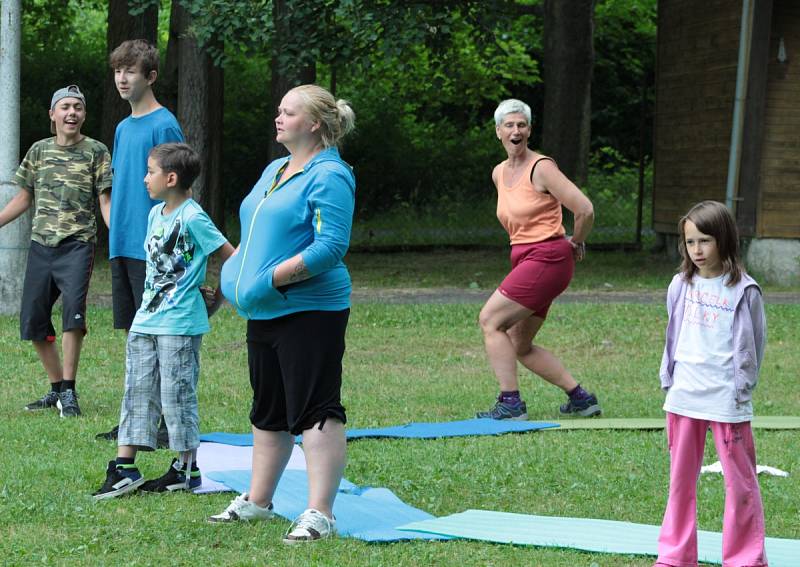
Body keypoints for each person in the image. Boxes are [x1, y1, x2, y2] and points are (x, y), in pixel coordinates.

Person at [209, 84, 355, 544]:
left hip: (309, 309)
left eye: (288, 113)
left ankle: (320, 513)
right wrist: (238, 274)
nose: (278, 118)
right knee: (267, 409)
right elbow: (257, 230)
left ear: (313, 123)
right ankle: (258, 501)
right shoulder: (276, 167)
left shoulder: (330, 174)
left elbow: (330, 247)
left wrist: (270, 279)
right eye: (279, 110)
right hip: (265, 311)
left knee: (315, 409)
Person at [92, 143, 234, 499]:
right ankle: (124, 467)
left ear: (171, 178)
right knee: (136, 392)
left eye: (150, 172)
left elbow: (232, 258)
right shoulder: (157, 215)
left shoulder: (194, 217)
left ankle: (186, 469)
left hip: (180, 326)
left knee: (176, 396)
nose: (144, 178)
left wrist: (217, 298)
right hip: (146, 321)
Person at [654, 201, 767, 567]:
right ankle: (675, 555)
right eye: (690, 242)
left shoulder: (745, 290)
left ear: (724, 240)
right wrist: (669, 379)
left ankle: (745, 558)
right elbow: (674, 334)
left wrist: (742, 386)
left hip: (726, 400)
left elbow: (756, 344)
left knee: (740, 485)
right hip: (684, 396)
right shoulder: (680, 284)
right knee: (680, 482)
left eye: (705, 240)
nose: (697, 250)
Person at [476, 98, 601, 421]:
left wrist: (577, 241)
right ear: (498, 132)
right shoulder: (498, 173)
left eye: (521, 124)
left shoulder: (541, 167)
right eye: (509, 125)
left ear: (529, 130)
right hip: (529, 260)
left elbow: (584, 208)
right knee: (520, 343)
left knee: (491, 320)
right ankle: (581, 398)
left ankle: (511, 403)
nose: (516, 131)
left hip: (547, 257)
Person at [0, 85, 111, 417]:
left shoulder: (97, 151)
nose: (72, 113)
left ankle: (70, 391)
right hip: (41, 245)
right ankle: (55, 389)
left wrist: (118, 235)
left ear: (84, 114)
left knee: (72, 316)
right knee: (34, 321)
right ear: (53, 114)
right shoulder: (38, 151)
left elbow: (105, 201)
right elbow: (23, 198)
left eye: (78, 107)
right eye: (65, 107)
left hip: (77, 245)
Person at [97, 39, 185, 442]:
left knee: (159, 337)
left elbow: (179, 186)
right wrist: (116, 225)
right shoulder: (122, 127)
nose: (122, 77)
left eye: (130, 71)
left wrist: (166, 239)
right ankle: (138, 420)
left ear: (150, 77)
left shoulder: (163, 124)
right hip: (123, 246)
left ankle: (167, 422)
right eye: (118, 70)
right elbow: (117, 184)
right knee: (135, 338)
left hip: (153, 251)